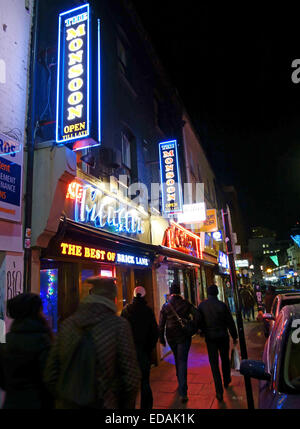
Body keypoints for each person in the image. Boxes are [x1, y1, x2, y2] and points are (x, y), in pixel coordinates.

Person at [44, 277, 141, 409]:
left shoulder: (67, 324)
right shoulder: (118, 326)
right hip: (104, 404)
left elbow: (50, 373)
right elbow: (131, 379)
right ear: (112, 297)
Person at [0, 293, 54, 409]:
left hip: (11, 403)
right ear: (36, 312)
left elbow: (3, 381)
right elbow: (50, 378)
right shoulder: (42, 340)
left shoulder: (7, 340)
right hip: (39, 402)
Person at [158, 283, 199, 403]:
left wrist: (161, 338)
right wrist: (194, 327)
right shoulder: (185, 303)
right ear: (179, 292)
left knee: (177, 358)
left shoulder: (166, 305)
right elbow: (197, 315)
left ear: (171, 292)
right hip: (184, 336)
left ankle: (180, 381)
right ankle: (183, 391)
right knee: (182, 361)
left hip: (170, 336)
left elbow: (161, 324)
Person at [197, 285, 238, 402]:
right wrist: (234, 336)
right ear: (217, 292)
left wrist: (201, 331)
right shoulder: (222, 305)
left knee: (214, 364)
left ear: (208, 293)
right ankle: (226, 379)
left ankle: (218, 391)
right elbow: (230, 322)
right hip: (222, 336)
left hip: (210, 338)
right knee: (225, 359)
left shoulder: (202, 306)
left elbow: (198, 322)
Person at [121, 286, 158, 409]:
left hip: (129, 353)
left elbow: (121, 332)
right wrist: (149, 348)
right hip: (144, 352)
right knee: (145, 382)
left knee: (129, 385)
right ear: (144, 295)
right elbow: (154, 332)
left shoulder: (126, 310)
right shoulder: (148, 311)